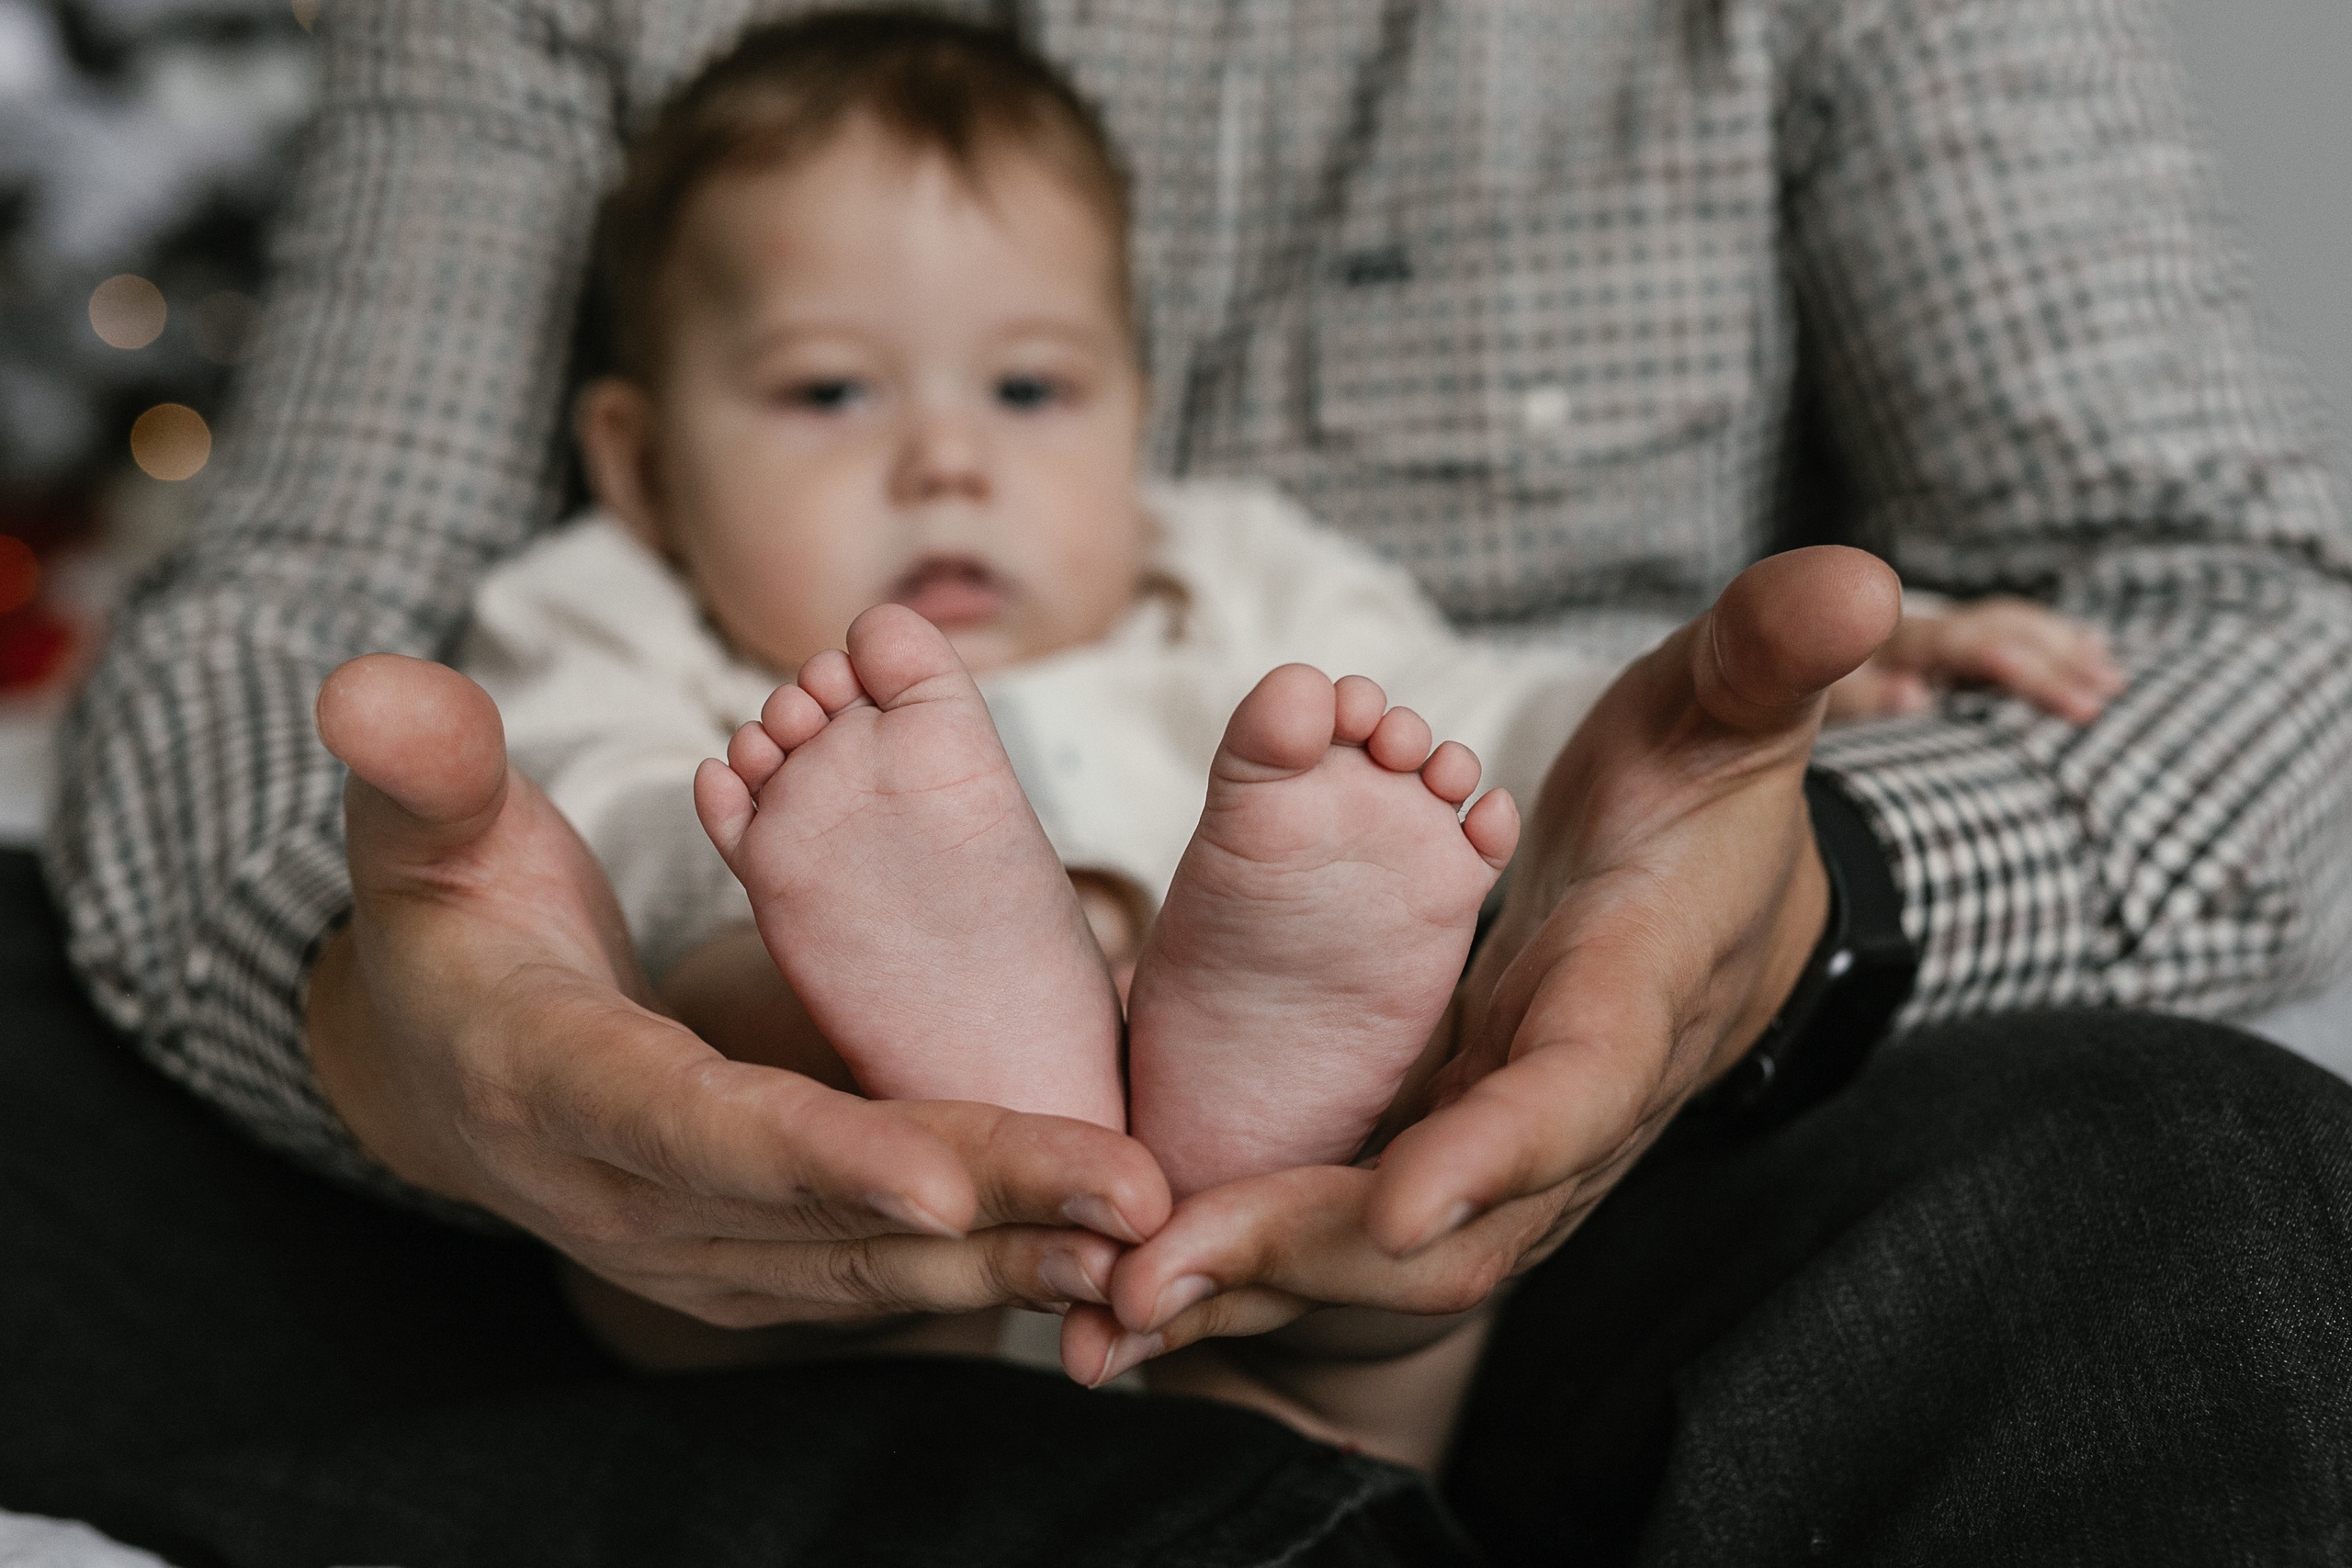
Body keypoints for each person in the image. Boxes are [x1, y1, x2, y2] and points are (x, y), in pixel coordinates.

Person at [17, 0, 2352, 1561]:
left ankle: (1252, 1115)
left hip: (1502, 1151)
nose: (941, 448)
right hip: (757, 1227)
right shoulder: (616, 616)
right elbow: (301, 610)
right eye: (826, 396)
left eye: (1030, 396)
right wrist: (435, 1015)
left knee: (2164, 1184)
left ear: (1132, 418)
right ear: (636, 454)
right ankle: (885, 1012)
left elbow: (1535, 708)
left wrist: (1803, 769)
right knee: (665, 876)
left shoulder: (1236, 587)